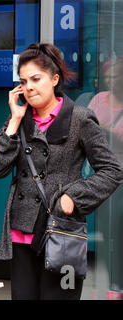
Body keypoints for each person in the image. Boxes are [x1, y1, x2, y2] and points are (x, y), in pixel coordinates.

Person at [0, 43, 123, 300]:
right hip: (22, 233)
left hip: (62, 231)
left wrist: (73, 197)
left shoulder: (80, 119)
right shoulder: (18, 118)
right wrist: (15, 120)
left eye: (36, 79)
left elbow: (111, 170)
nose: (29, 87)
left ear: (54, 79)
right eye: (23, 81)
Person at [88, 57, 123, 299]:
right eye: (109, 76)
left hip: (121, 177)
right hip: (101, 176)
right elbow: (84, 128)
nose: (112, 81)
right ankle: (109, 282)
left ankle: (117, 284)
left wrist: (106, 131)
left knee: (118, 232)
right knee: (103, 232)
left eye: (117, 76)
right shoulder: (98, 100)